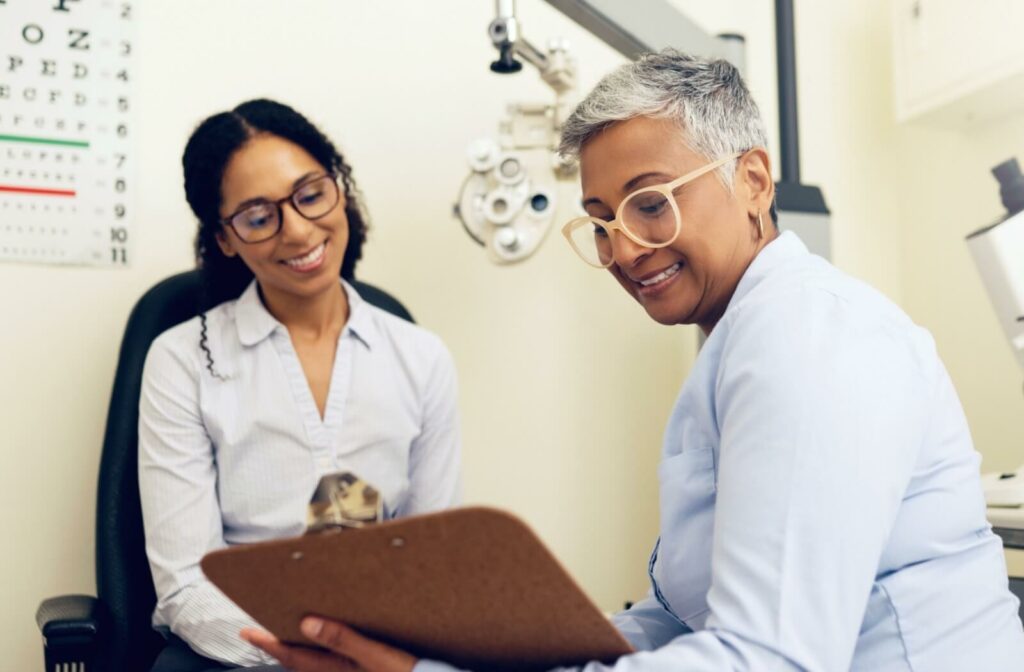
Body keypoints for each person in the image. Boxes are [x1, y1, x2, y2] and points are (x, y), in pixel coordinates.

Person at [243, 51, 1024, 671]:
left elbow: (767, 658)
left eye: (650, 203)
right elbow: (677, 618)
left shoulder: (806, 342)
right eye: (601, 221)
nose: (622, 249)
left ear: (752, 180)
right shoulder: (742, 342)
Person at [139, 99, 462, 671]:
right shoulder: (181, 360)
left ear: (340, 188)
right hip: (235, 652)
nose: (298, 231)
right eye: (259, 218)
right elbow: (185, 583)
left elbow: (433, 560)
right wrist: (295, 653)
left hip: (381, 652)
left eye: (310, 195)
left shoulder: (422, 356)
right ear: (225, 239)